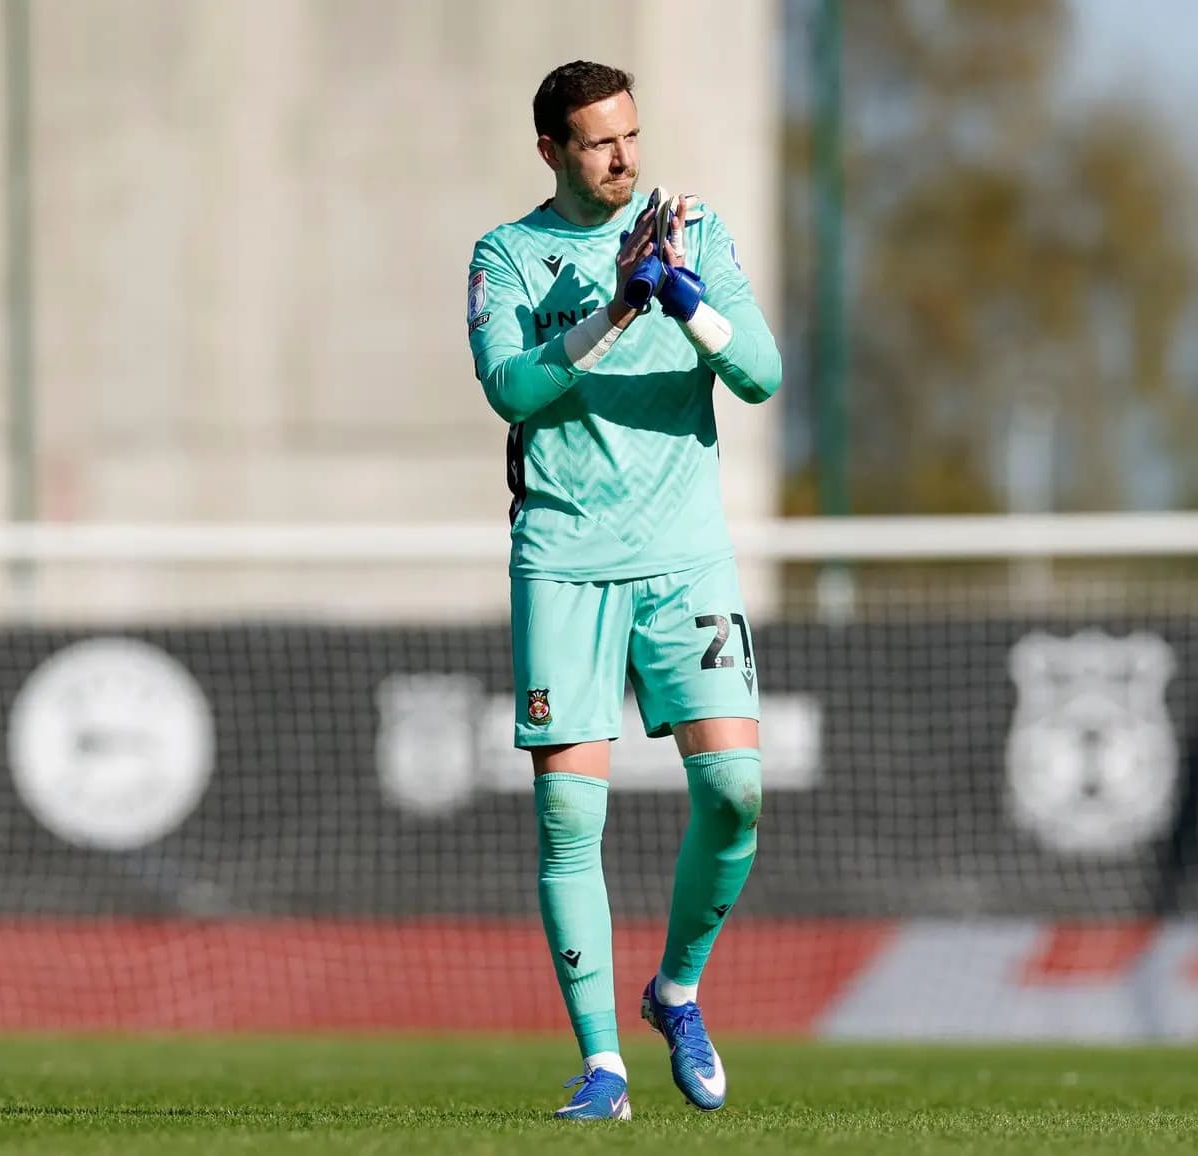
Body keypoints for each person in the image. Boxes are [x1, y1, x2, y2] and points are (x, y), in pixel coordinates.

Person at [464, 60, 782, 1120]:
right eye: (599, 141)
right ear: (551, 150)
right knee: (568, 814)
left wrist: (683, 299)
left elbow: (761, 374)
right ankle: (602, 1066)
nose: (623, 157)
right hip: (564, 559)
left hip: (686, 558)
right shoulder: (507, 255)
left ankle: (676, 990)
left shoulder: (690, 229)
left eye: (630, 135)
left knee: (735, 793)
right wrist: (610, 311)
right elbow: (510, 387)